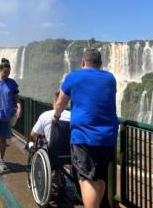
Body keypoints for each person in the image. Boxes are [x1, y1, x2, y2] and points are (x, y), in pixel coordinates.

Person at [52, 49, 119, 208]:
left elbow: (61, 103)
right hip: (108, 136)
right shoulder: (110, 78)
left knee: (86, 179)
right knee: (100, 177)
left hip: (84, 135)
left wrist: (56, 116)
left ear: (83, 62)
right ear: (100, 64)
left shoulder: (74, 76)